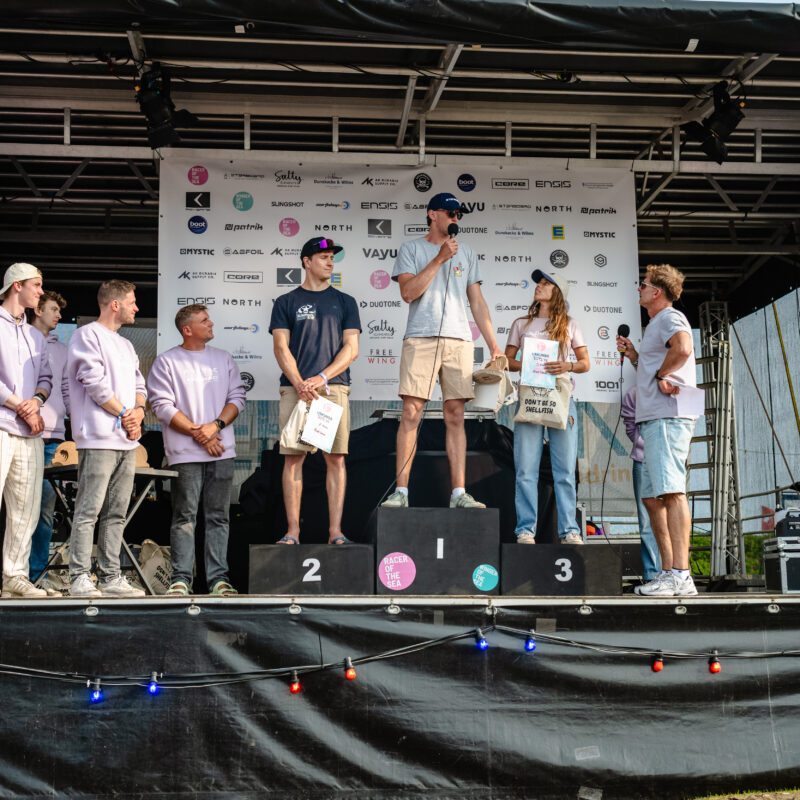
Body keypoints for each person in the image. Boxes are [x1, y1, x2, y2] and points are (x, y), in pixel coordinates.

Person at [382, 192, 503, 509]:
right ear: (432, 214)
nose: (455, 218)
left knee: (456, 415)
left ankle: (459, 493)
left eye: (458, 214)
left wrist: (493, 345)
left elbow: (477, 302)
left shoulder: (468, 252)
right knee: (411, 412)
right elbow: (408, 293)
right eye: (450, 213)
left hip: (458, 340)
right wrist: (439, 258)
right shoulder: (411, 248)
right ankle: (401, 492)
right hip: (420, 337)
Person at [148, 304, 246, 596]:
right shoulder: (167, 361)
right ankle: (181, 580)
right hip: (185, 454)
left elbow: (237, 398)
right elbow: (162, 406)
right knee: (184, 516)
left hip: (221, 451)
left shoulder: (223, 358)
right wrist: (201, 435)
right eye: (205, 320)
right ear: (187, 329)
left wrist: (215, 427)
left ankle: (218, 580)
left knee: (219, 517)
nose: (211, 323)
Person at [269, 236, 361, 545]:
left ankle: (336, 532)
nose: (330, 262)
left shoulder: (345, 301)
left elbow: (351, 349)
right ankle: (292, 532)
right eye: (323, 257)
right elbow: (281, 347)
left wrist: (321, 377)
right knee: (293, 459)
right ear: (306, 262)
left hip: (332, 388)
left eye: (332, 257)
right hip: (295, 389)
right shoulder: (286, 302)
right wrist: (299, 382)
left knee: (335, 459)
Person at [616, 264, 698, 597]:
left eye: (643, 284)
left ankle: (681, 575)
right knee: (652, 498)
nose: (639, 288)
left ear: (657, 292)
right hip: (654, 418)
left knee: (672, 491)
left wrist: (663, 374)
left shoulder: (669, 317)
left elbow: (683, 347)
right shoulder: (656, 323)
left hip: (668, 416)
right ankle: (668, 573)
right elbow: (655, 366)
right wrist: (636, 357)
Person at [66, 279, 147, 598]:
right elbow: (93, 381)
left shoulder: (126, 345)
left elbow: (140, 385)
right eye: (132, 301)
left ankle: (111, 577)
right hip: (98, 438)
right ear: (115, 304)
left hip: (126, 441)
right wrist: (126, 414)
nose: (136, 307)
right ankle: (79, 577)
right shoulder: (86, 335)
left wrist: (138, 413)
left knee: (116, 513)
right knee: (89, 510)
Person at [505, 269, 590, 545]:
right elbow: (507, 361)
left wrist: (567, 365)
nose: (538, 286)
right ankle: (525, 529)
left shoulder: (571, 324)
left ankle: (570, 530)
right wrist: (529, 364)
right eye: (538, 283)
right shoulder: (521, 323)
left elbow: (585, 364)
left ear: (558, 292)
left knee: (564, 471)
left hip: (562, 400)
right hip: (529, 398)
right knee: (525, 470)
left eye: (545, 283)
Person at [0, 263, 52, 598]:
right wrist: (21, 405)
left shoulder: (35, 335)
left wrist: (36, 401)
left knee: (26, 507)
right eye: (37, 285)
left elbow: (46, 379)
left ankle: (14, 576)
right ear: (17, 285)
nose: (41, 292)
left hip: (30, 431)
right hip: (2, 425)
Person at [26, 290, 68, 587]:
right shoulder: (19, 340)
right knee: (14, 507)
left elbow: (67, 390)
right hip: (20, 433)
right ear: (38, 310)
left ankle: (36, 575)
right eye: (54, 309)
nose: (59, 315)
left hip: (53, 439)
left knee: (44, 511)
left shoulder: (63, 350)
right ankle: (11, 573)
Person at [621, 386, 662, 581]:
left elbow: (690, 419)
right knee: (646, 520)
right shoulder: (634, 393)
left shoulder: (677, 387)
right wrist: (641, 443)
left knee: (673, 515)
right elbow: (630, 424)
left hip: (669, 460)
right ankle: (652, 574)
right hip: (642, 459)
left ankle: (675, 572)